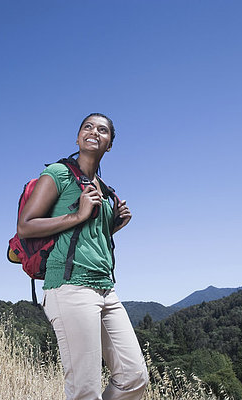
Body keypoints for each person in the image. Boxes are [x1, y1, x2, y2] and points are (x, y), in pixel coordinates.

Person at [17, 113, 149, 400]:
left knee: (134, 376)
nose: (94, 132)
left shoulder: (105, 189)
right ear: (77, 138)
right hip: (70, 287)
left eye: (102, 130)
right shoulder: (59, 173)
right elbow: (26, 226)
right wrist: (78, 214)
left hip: (105, 289)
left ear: (109, 144)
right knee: (84, 390)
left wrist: (113, 225)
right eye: (87, 127)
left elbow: (86, 236)